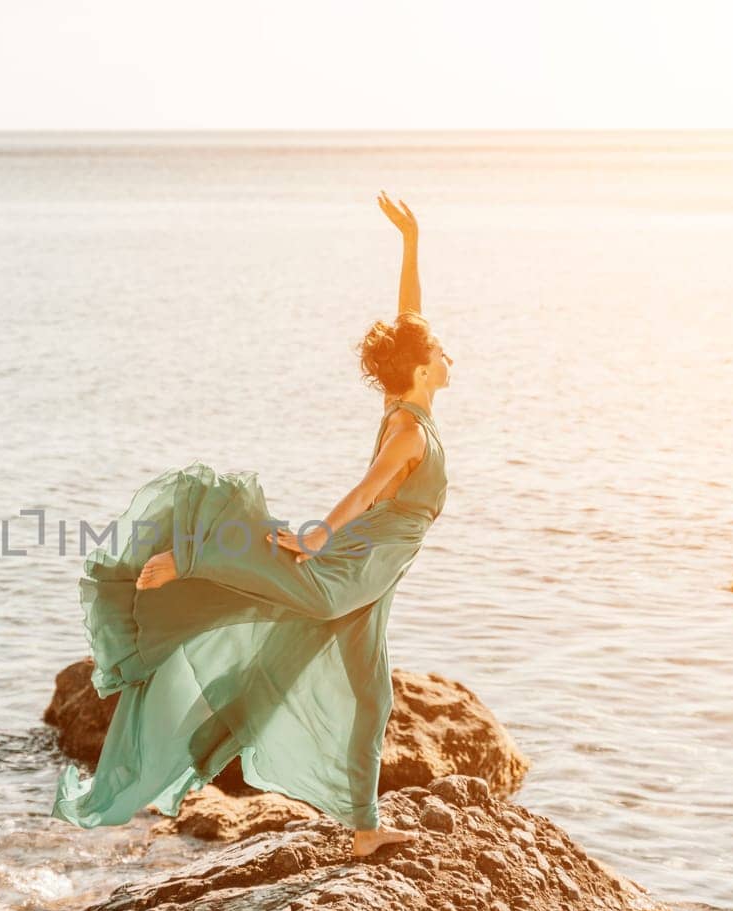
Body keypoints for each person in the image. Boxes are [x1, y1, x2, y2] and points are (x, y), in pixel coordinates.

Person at [51, 191, 453, 858]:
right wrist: (321, 535)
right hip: (355, 565)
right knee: (311, 595)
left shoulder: (402, 398)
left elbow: (410, 314)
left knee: (372, 696)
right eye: (440, 352)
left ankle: (362, 830)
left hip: (379, 576)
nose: (449, 357)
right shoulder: (408, 428)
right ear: (419, 369)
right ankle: (199, 557)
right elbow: (368, 487)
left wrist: (411, 243)